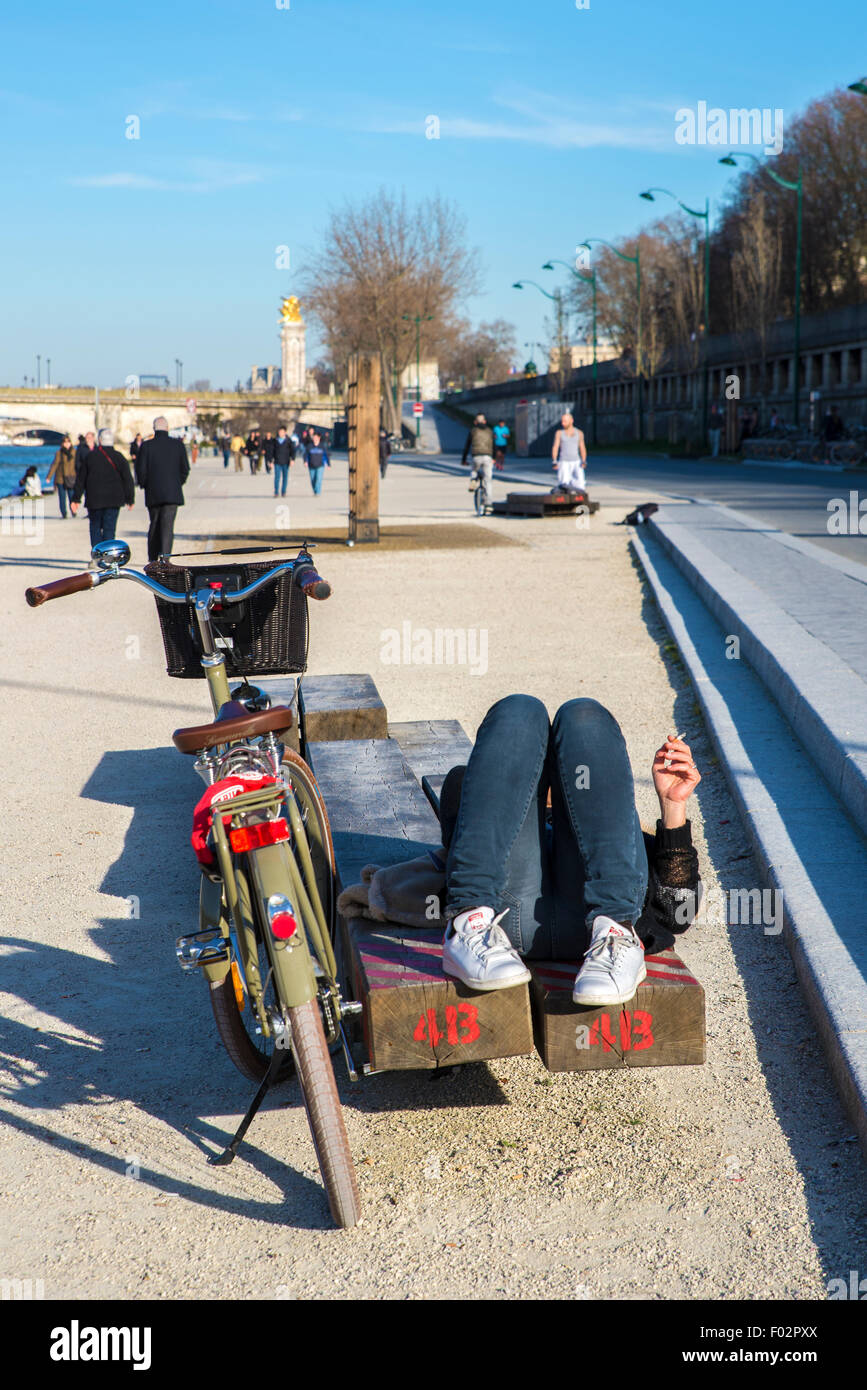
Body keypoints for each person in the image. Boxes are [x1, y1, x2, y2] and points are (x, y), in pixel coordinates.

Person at [338, 697, 702, 1002]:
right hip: (503, 922)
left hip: (603, 925)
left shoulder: (608, 828)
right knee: (518, 709)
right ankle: (470, 926)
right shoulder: (469, 790)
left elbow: (677, 913)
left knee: (585, 714)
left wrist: (673, 807)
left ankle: (616, 933)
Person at [135, 414, 190, 562]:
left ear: (154, 429)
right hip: (172, 493)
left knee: (154, 523)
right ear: (167, 428)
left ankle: (153, 558)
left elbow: (140, 471)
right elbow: (185, 469)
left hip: (153, 492)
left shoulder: (146, 446)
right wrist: (178, 483)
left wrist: (146, 484)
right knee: (168, 526)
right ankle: (165, 557)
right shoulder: (178, 445)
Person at [70, 428, 135, 550]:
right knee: (109, 528)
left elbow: (81, 479)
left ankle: (97, 556)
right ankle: (108, 556)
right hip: (114, 500)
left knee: (95, 527)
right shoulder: (119, 457)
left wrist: (76, 499)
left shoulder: (90, 457)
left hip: (95, 500)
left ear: (99, 440)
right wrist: (130, 498)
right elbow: (128, 479)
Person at [461, 413, 495, 514]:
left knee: (474, 470)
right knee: (488, 481)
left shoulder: (473, 431)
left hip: (476, 456)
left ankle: (473, 480)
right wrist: (495, 458)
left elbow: (467, 446)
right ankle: (488, 504)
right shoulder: (489, 431)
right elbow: (494, 444)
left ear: (475, 422)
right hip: (487, 456)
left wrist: (463, 459)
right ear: (484, 421)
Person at [551, 412, 586, 490]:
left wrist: (584, 460)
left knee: (580, 484)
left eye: (565, 421)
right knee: (564, 484)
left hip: (576, 461)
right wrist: (554, 461)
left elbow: (582, 447)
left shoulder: (579, 433)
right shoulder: (559, 433)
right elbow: (555, 447)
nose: (563, 423)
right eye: (562, 421)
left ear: (571, 421)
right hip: (564, 462)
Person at [46, 435, 77, 516]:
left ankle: (73, 511)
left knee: (72, 496)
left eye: (68, 442)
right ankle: (64, 513)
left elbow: (78, 465)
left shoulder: (75, 452)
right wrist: (49, 477)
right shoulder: (59, 453)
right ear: (62, 443)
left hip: (71, 478)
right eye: (65, 442)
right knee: (62, 497)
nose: (66, 444)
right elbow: (54, 465)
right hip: (61, 478)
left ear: (70, 443)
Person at [273, 426, 293, 497]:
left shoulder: (288, 441)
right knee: (277, 477)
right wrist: (270, 461)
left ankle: (283, 492)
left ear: (285, 432)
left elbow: (292, 451)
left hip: (286, 462)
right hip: (277, 462)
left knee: (285, 477)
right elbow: (272, 451)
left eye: (282, 432)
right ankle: (276, 492)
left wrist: (292, 459)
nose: (280, 433)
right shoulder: (275, 440)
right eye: (279, 432)